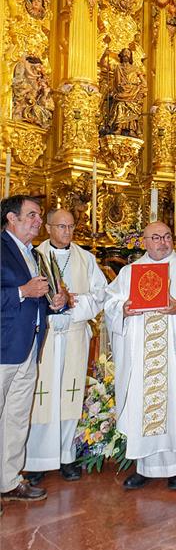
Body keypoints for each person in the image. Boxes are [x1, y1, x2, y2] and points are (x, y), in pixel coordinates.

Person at [105, 221, 176, 490]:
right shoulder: (130, 273)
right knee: (142, 407)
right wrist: (123, 310)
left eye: (167, 237)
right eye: (155, 237)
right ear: (144, 241)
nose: (163, 242)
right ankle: (144, 467)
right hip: (140, 357)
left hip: (175, 356)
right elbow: (109, 302)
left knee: (174, 405)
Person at [24, 209, 107, 484]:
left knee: (70, 395)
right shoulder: (33, 256)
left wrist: (73, 302)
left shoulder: (86, 258)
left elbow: (100, 294)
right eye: (61, 226)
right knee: (41, 395)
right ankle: (35, 460)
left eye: (71, 226)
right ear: (47, 227)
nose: (67, 232)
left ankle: (67, 457)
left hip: (73, 334)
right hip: (44, 334)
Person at [1, 196, 67, 507]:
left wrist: (56, 303)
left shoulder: (34, 255)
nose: (38, 221)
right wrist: (22, 291)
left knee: (16, 418)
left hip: (28, 347)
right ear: (11, 219)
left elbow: (39, 299)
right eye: (31, 215)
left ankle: (9, 481)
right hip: (3, 346)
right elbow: (22, 294)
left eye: (39, 215)